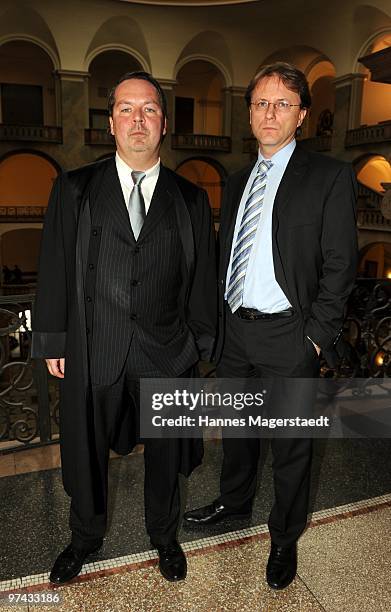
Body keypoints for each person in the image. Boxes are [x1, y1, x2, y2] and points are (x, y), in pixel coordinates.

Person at [32, 71, 216, 584]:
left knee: (166, 453)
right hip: (96, 347)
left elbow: (202, 277)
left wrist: (198, 343)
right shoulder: (74, 188)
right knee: (86, 451)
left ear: (163, 123)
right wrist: (52, 338)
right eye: (127, 109)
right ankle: (84, 539)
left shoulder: (190, 197)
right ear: (110, 122)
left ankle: (165, 536)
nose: (139, 119)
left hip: (166, 350)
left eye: (150, 109)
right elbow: (53, 267)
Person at [184, 62, 358, 590]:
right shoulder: (236, 182)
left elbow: (340, 264)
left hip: (290, 335)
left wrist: (315, 336)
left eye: (283, 103)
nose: (269, 112)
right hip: (237, 331)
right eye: (261, 102)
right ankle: (234, 503)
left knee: (291, 445)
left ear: (301, 116)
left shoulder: (328, 177)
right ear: (250, 111)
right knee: (237, 433)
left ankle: (284, 537)